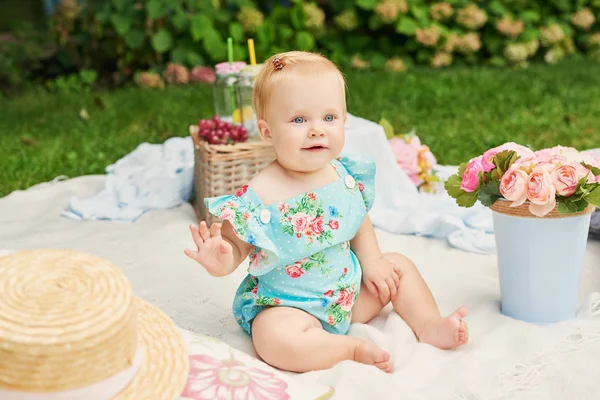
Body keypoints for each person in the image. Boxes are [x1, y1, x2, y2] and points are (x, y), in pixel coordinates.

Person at [185, 51, 469, 373]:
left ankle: (430, 325)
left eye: (329, 118)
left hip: (348, 297)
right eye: (299, 120)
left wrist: (373, 260)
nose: (317, 130)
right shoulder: (259, 194)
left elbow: (357, 218)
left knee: (398, 267)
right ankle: (347, 349)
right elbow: (236, 246)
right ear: (267, 132)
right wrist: (221, 257)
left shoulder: (341, 173)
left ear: (344, 120)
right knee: (273, 338)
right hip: (290, 307)